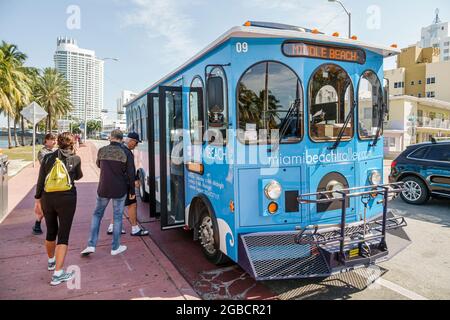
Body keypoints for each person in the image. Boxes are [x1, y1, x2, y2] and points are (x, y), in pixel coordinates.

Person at [34, 132, 83, 286]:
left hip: (48, 198)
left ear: (58, 142)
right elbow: (78, 176)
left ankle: (51, 261)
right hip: (67, 198)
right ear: (72, 143)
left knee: (50, 231)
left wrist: (37, 200)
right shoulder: (75, 158)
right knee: (63, 235)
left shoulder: (48, 157)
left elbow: (41, 180)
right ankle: (58, 274)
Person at [80, 129, 136, 257]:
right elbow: (131, 174)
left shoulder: (102, 150)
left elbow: (99, 165)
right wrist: (132, 191)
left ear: (110, 138)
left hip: (103, 188)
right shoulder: (125, 152)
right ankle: (115, 247)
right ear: (122, 139)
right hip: (120, 189)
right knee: (117, 217)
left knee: (97, 215)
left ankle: (91, 245)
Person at [107, 132, 149, 237]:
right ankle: (135, 228)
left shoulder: (115, 149)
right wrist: (132, 190)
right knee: (132, 204)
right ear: (131, 141)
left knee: (117, 205)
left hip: (113, 182)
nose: (136, 145)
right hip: (124, 183)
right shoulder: (127, 152)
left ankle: (112, 227)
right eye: (136, 143)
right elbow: (130, 171)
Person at [32, 133, 57, 235]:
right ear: (46, 140)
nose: (54, 142)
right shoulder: (42, 152)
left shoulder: (56, 151)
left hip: (56, 181)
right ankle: (37, 224)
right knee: (42, 205)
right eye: (52, 140)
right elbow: (45, 164)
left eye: (55, 140)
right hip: (46, 182)